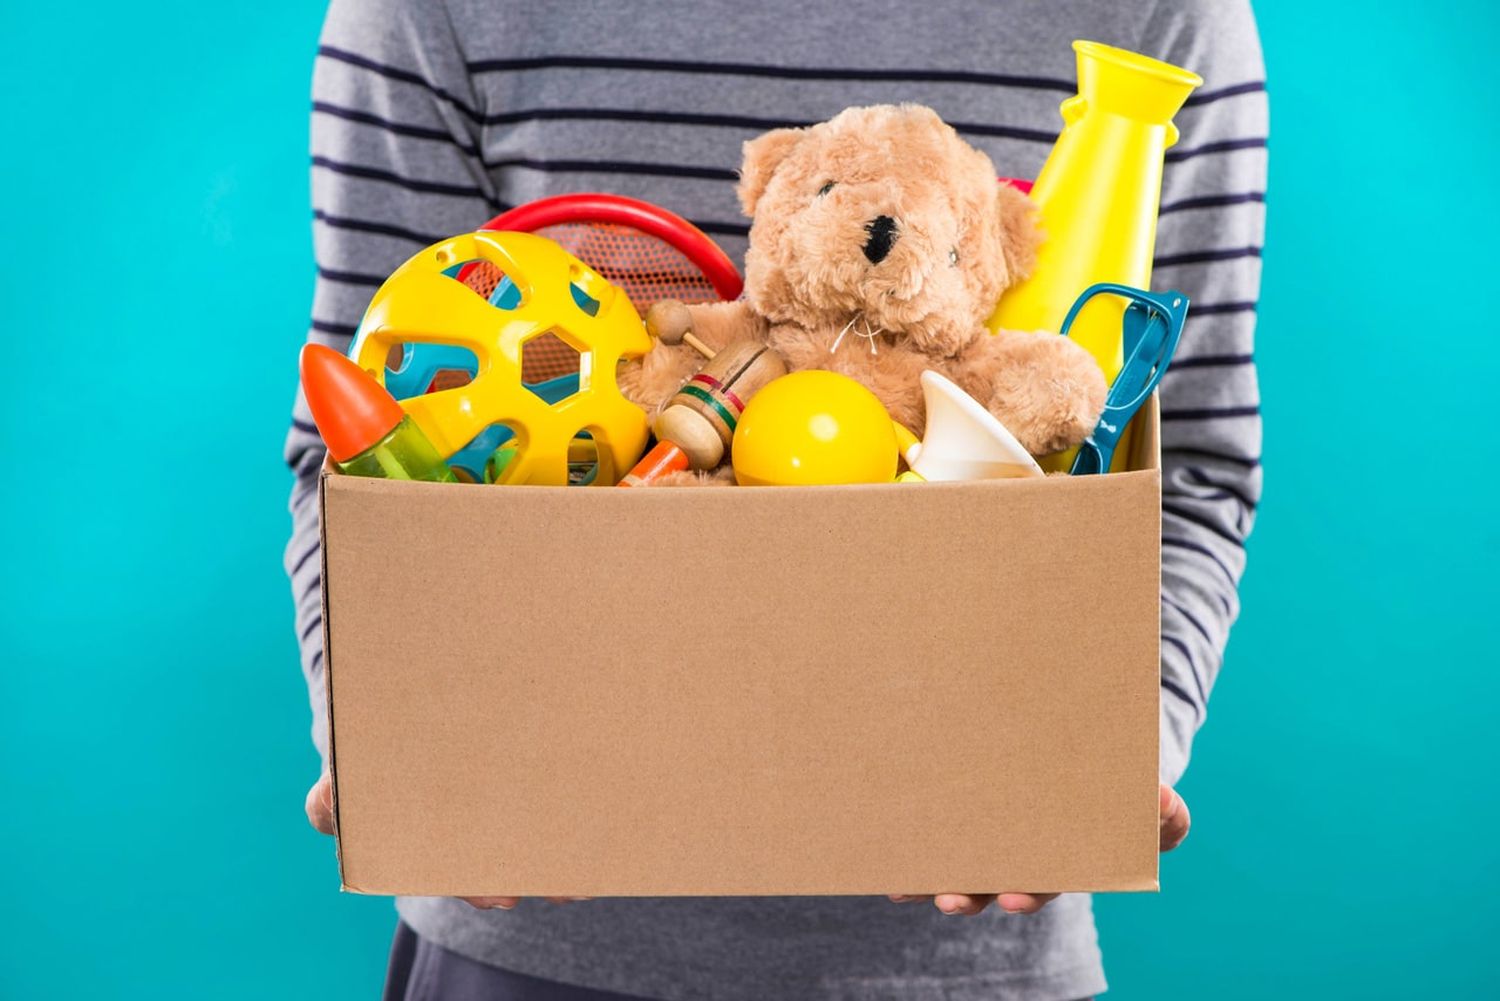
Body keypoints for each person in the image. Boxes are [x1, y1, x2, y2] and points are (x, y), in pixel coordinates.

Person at [285, 1, 1265, 997]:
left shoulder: (1161, 17)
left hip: (969, 959)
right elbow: (366, 440)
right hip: (522, 941)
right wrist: (388, 735)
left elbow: (1182, 471)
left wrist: (1096, 750)